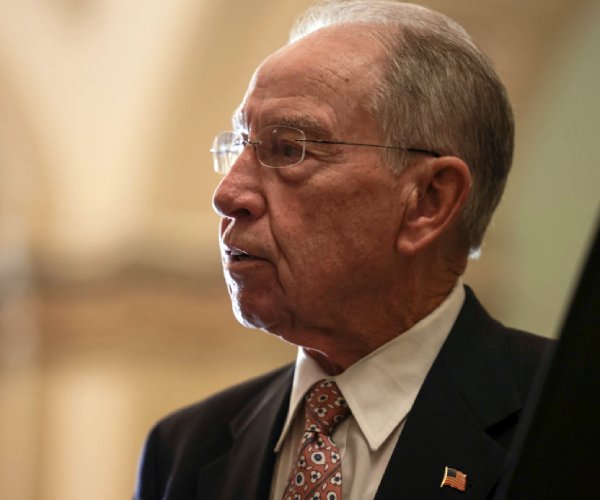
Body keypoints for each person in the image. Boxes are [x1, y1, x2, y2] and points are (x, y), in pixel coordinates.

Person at [134, 1, 552, 499]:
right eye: (239, 145)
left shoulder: (568, 417)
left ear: (428, 202)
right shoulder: (185, 450)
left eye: (289, 149)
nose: (227, 195)